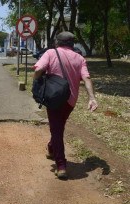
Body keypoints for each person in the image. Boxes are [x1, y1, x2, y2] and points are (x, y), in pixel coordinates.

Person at [32, 31, 98, 180]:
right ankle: (51, 147)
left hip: (54, 98)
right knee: (58, 127)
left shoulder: (50, 53)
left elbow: (38, 70)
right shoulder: (80, 58)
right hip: (71, 101)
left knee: (57, 129)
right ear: (72, 44)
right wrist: (92, 98)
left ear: (57, 42)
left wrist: (36, 84)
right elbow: (86, 78)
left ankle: (61, 165)